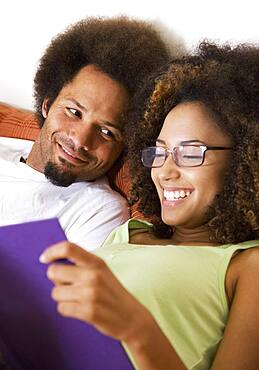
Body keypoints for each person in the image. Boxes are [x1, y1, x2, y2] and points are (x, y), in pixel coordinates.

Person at [40, 42, 259, 370]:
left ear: (246, 161)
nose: (166, 172)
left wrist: (136, 329)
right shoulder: (129, 232)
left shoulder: (246, 266)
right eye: (159, 152)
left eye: (189, 152)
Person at [0, 16, 171, 249]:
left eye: (107, 132)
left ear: (124, 146)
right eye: (74, 112)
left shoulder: (98, 211)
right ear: (47, 104)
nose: (80, 140)